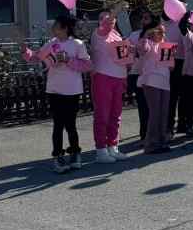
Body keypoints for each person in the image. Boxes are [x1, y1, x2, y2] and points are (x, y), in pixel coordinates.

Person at [24, 14, 92, 173]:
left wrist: (68, 60)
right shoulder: (51, 43)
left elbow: (87, 65)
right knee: (58, 125)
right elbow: (36, 58)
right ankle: (58, 156)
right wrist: (25, 51)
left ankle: (75, 153)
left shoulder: (77, 44)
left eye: (55, 25)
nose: (53, 28)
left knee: (71, 125)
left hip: (72, 90)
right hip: (54, 90)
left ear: (65, 28)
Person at [89, 10, 130, 163]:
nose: (109, 20)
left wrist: (131, 51)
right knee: (102, 115)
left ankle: (113, 146)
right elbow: (106, 25)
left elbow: (123, 55)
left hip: (119, 77)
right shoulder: (97, 33)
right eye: (104, 17)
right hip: (103, 77)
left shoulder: (117, 34)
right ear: (100, 21)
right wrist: (115, 10)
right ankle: (101, 150)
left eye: (112, 17)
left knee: (115, 115)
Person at [136, 17, 174, 155]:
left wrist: (171, 57)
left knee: (163, 112)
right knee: (155, 112)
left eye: (164, 32)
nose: (162, 34)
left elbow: (171, 67)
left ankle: (161, 141)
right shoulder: (147, 43)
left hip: (164, 81)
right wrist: (146, 34)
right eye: (159, 32)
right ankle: (151, 144)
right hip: (151, 80)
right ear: (152, 32)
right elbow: (141, 49)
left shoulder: (166, 46)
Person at [127, 9, 153, 142]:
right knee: (143, 106)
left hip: (152, 74)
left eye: (146, 18)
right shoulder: (134, 35)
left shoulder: (157, 34)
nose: (143, 21)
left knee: (151, 106)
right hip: (138, 73)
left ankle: (152, 133)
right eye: (142, 18)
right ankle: (145, 134)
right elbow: (126, 52)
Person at [162, 0, 187, 135]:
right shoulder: (164, 22)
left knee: (184, 95)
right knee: (171, 97)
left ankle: (183, 124)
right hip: (169, 60)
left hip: (184, 60)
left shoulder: (184, 22)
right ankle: (169, 126)